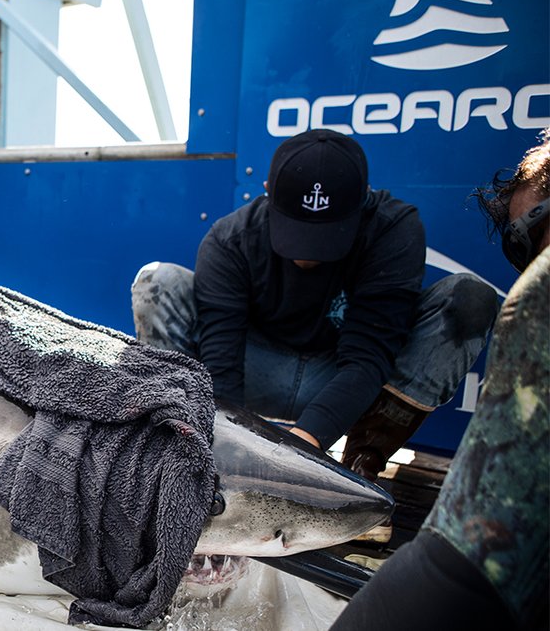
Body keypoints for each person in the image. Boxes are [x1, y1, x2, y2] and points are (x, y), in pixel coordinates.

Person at [131, 129, 499, 479]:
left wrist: (302, 448)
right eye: (296, 232)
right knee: (157, 280)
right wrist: (234, 458)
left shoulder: (394, 228)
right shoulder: (230, 238)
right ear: (266, 192)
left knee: (470, 299)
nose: (308, 257)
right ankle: (186, 456)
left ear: (364, 200)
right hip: (255, 371)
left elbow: (368, 358)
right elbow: (221, 370)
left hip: (346, 379)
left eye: (328, 237)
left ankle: (357, 472)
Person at [331, 130, 548, 631]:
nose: (532, 267)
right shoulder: (240, 239)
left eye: (531, 237)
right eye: (521, 253)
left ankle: (360, 467)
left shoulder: (539, 299)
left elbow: (469, 564)